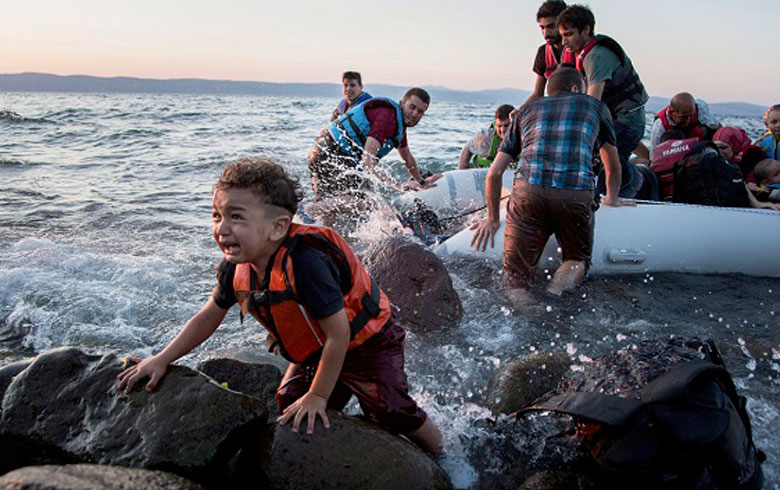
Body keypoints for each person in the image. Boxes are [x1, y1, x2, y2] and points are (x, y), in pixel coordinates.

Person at [117, 158, 442, 453]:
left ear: (277, 227)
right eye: (217, 215)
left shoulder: (306, 264)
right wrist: (161, 359)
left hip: (368, 343)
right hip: (319, 346)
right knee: (289, 401)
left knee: (391, 408)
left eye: (236, 217)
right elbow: (208, 316)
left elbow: (339, 334)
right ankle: (346, 438)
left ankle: (439, 452)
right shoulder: (234, 267)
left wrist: (317, 396)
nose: (222, 228)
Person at [470, 68, 631, 296]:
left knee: (514, 280)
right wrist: (612, 199)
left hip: (528, 195)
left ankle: (526, 311)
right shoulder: (596, 107)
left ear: (549, 89)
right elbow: (612, 165)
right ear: (577, 89)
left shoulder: (526, 111)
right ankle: (554, 293)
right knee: (576, 260)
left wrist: (493, 218)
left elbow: (494, 173)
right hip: (574, 196)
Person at [557, 4, 650, 199]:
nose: (564, 41)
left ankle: (634, 181)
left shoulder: (596, 57)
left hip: (627, 122)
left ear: (587, 30)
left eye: (569, 34)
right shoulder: (582, 54)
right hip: (617, 118)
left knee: (605, 166)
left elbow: (591, 104)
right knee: (597, 161)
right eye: (562, 35)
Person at [308, 87, 439, 198]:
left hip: (325, 152)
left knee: (332, 202)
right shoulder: (388, 118)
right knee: (365, 202)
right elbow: (367, 163)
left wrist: (421, 182)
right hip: (329, 153)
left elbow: (408, 159)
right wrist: (397, 185)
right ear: (402, 103)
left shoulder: (399, 127)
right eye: (412, 107)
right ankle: (308, 209)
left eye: (420, 111)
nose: (415, 114)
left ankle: (315, 222)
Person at [526, 0, 570, 103]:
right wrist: (519, 112)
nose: (546, 33)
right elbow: (537, 93)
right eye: (542, 28)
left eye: (551, 26)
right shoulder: (543, 52)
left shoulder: (577, 49)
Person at [649, 93, 721, 154]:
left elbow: (718, 129)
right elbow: (654, 154)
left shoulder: (701, 111)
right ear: (672, 112)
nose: (688, 120)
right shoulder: (660, 126)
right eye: (684, 117)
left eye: (691, 115)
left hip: (701, 146)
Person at [458, 104, 515, 169]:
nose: (503, 130)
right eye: (499, 126)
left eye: (506, 125)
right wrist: (462, 169)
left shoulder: (524, 138)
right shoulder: (486, 138)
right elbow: (467, 148)